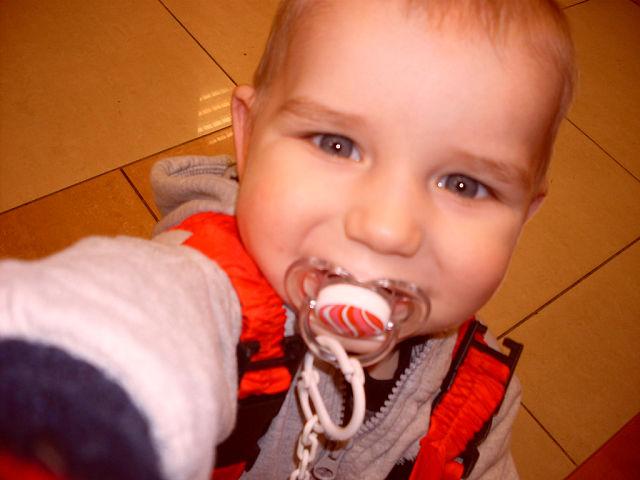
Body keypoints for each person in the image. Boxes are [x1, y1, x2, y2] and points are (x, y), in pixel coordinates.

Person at [0, 0, 575, 479]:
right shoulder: (206, 285)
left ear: (524, 215)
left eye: (463, 184)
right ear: (248, 139)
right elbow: (138, 316)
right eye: (336, 144)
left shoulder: (480, 400)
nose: (387, 228)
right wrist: (85, 384)